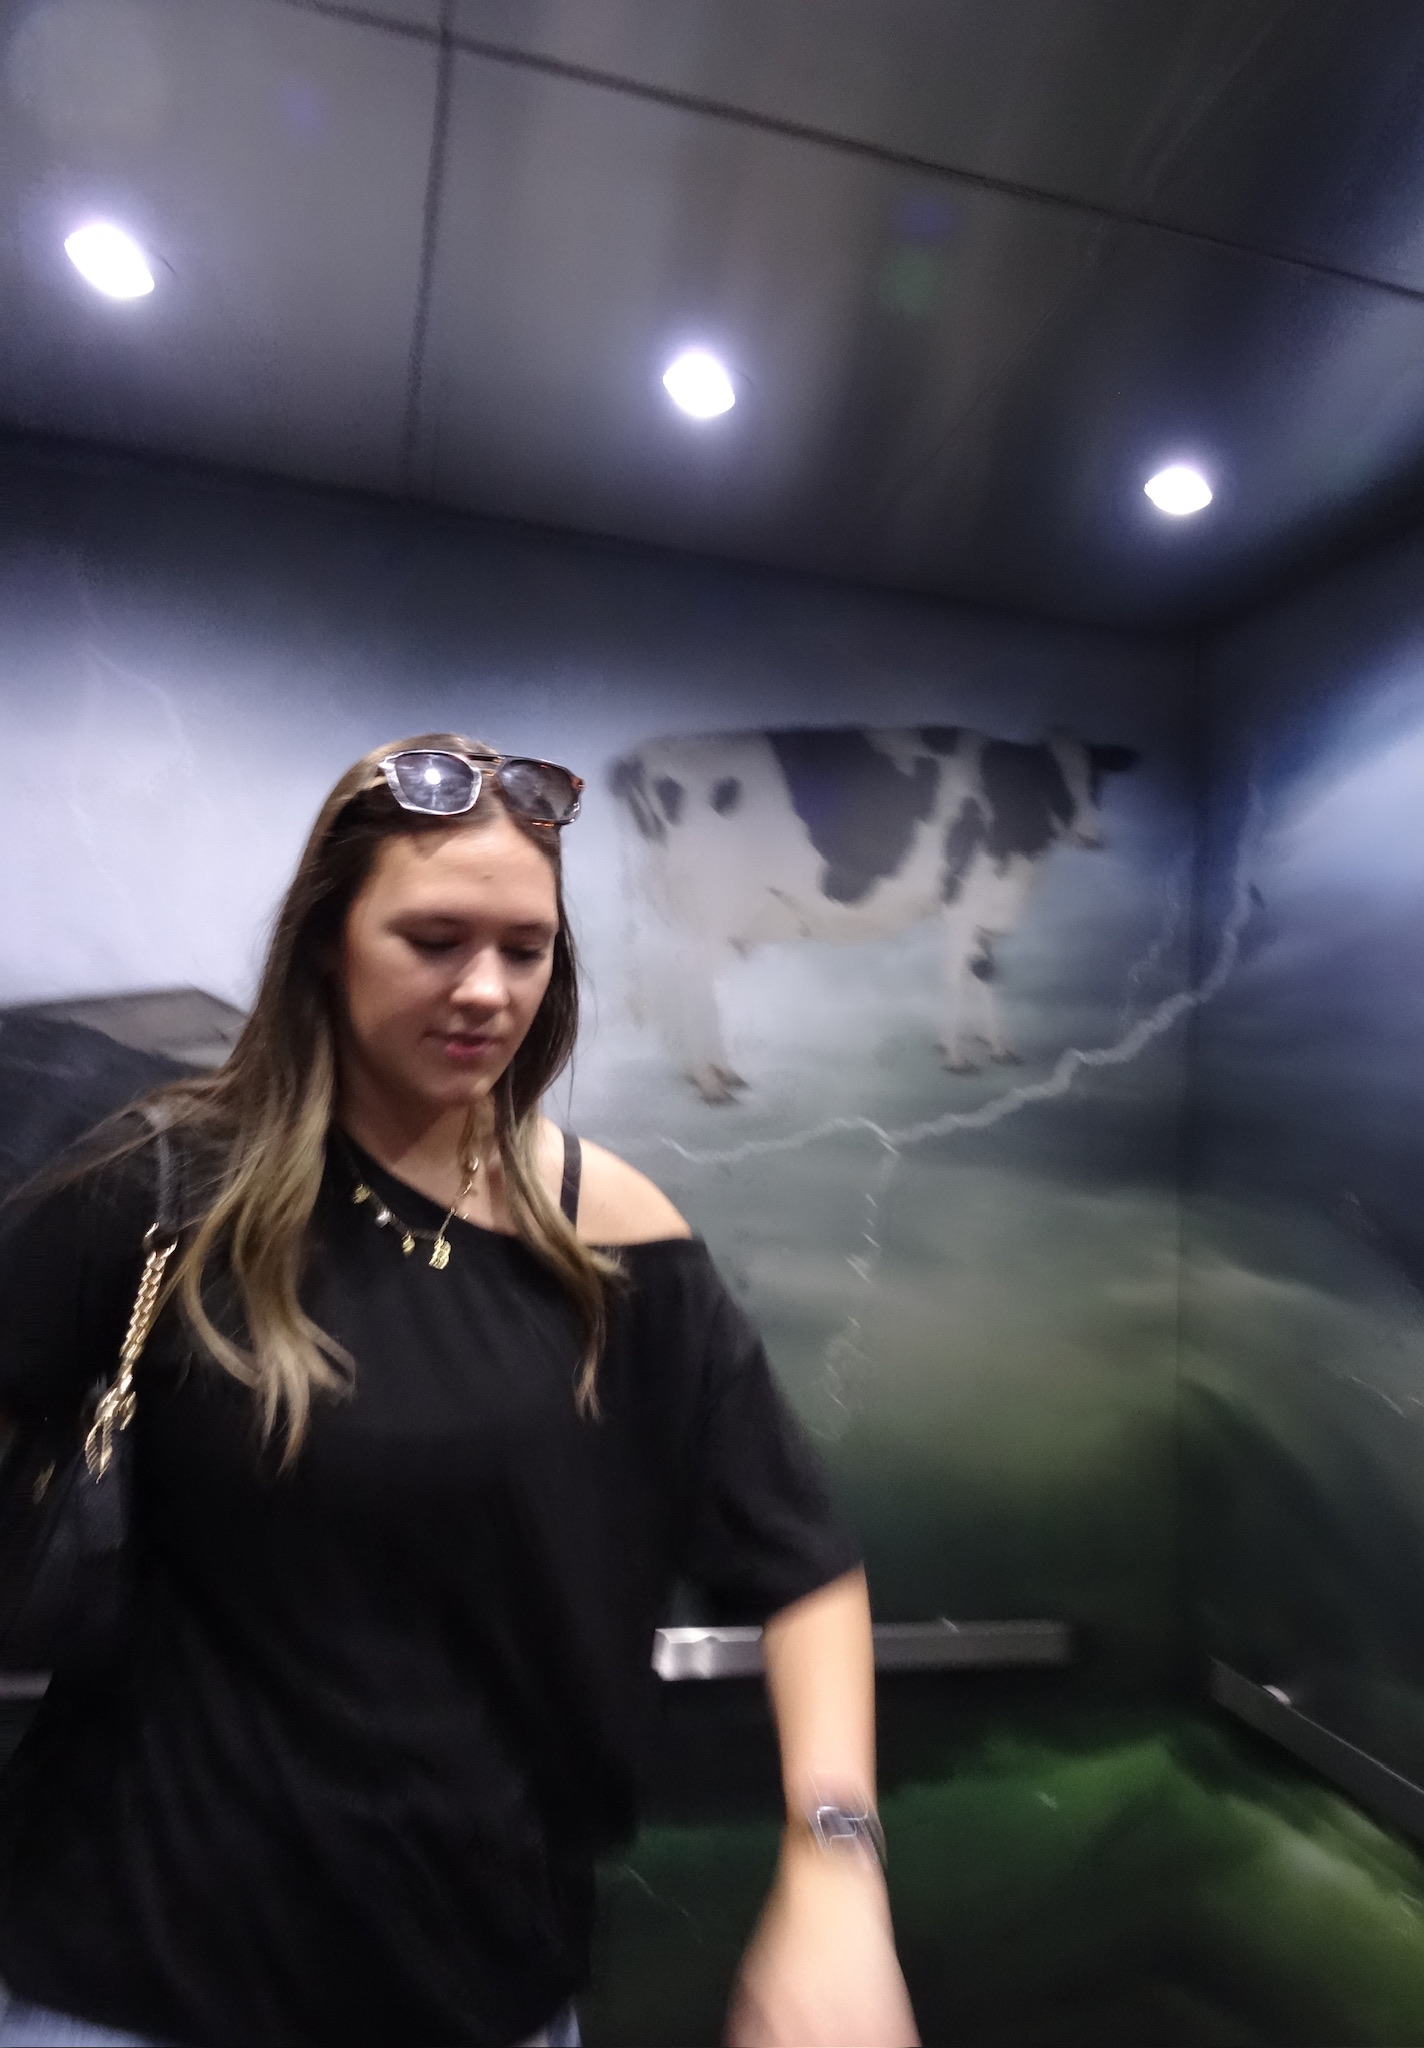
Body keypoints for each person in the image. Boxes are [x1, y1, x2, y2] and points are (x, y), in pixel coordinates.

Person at [0, 736, 918, 2048]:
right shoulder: (158, 1194)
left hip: (482, 1991)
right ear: (327, 941)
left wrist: (835, 1866)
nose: (487, 990)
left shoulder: (614, 1238)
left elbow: (802, 1563)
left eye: (526, 949)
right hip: (127, 1983)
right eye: (434, 939)